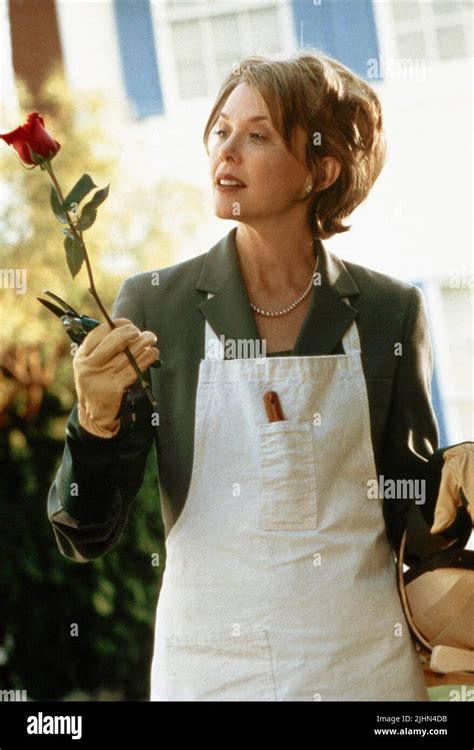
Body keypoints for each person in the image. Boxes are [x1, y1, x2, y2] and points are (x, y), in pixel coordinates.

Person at [47, 49, 472, 701]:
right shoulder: (154, 305)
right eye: (220, 131)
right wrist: (95, 419)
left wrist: (456, 477)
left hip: (363, 670)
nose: (227, 152)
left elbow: (417, 521)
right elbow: (85, 533)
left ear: (321, 169)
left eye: (258, 135)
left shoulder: (391, 311)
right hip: (210, 672)